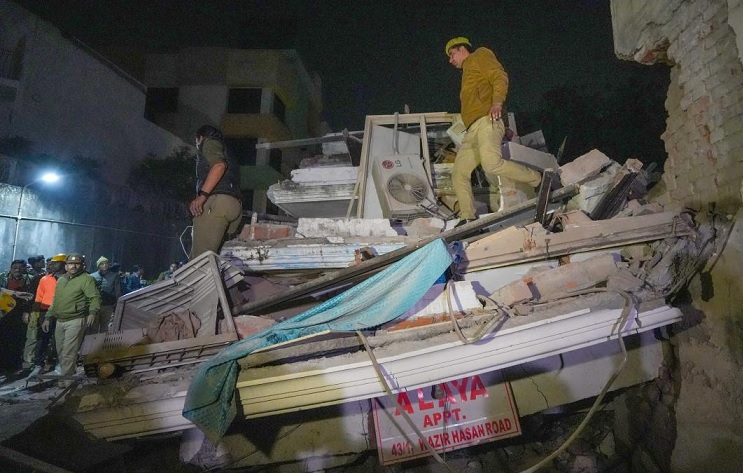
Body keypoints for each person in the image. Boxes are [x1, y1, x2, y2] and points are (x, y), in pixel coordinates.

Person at [445, 37, 543, 223]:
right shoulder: (467, 73)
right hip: (472, 129)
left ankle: (537, 179)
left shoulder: (480, 55)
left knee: (491, 164)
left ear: (462, 49)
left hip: (487, 121)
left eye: (452, 54)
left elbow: (499, 76)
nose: (451, 60)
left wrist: (497, 103)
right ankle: (467, 217)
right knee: (459, 173)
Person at [41, 253, 101, 384]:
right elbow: (55, 300)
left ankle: (66, 381)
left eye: (76, 263)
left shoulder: (87, 279)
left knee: (69, 351)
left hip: (76, 319)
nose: (73, 266)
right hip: (60, 320)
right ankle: (67, 374)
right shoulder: (61, 280)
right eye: (70, 263)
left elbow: (94, 297)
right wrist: (48, 317)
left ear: (81, 265)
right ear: (66, 266)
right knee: (61, 350)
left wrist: (92, 313)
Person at [189, 125, 242, 259]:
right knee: (217, 258)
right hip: (234, 204)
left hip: (216, 203)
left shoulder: (209, 143)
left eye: (196, 142)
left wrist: (202, 196)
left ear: (200, 138)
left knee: (200, 262)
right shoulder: (228, 151)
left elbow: (219, 166)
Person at [25, 253, 67, 376]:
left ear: (63, 264)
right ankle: (39, 364)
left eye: (55, 263)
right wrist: (34, 314)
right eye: (51, 263)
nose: (51, 265)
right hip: (44, 312)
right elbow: (39, 298)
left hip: (62, 312)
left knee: (58, 340)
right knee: (42, 338)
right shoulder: (44, 279)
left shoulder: (70, 280)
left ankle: (58, 363)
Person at [0, 260, 34, 372]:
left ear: (24, 269)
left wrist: (26, 312)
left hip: (19, 313)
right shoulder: (3, 278)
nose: (17, 269)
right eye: (14, 267)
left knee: (17, 338)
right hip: (3, 312)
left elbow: (31, 298)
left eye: (20, 267)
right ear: (10, 268)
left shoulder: (30, 280)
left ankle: (13, 364)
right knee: (3, 338)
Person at [90, 256, 122, 332]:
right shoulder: (92, 276)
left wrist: (118, 304)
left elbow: (117, 291)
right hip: (95, 305)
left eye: (106, 263)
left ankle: (102, 343)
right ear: (98, 265)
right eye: (102, 264)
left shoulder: (114, 276)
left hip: (108, 305)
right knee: (93, 326)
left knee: (105, 327)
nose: (104, 265)